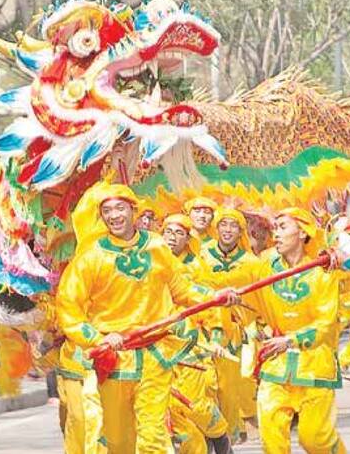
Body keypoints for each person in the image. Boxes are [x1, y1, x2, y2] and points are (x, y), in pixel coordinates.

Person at [55, 182, 239, 453]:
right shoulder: (91, 257)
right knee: (118, 441)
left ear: (134, 210)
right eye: (107, 210)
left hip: (155, 354)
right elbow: (68, 307)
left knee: (153, 435)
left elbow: (181, 288)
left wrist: (214, 296)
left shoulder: (156, 246)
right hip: (114, 357)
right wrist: (99, 338)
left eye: (120, 208)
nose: (114, 215)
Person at [222, 207, 346, 453]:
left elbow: (325, 323)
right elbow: (241, 288)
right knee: (272, 441)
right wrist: (231, 296)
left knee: (314, 440)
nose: (276, 234)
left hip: (314, 365)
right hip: (276, 364)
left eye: (282, 227)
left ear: (302, 232)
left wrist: (291, 340)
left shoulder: (322, 271)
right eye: (275, 228)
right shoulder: (265, 265)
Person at [160, 214, 231, 454]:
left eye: (179, 233)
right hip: (155, 347)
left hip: (189, 346)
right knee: (166, 410)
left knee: (195, 405)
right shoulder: (150, 262)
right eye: (168, 232)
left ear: (188, 239)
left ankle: (221, 441)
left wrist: (216, 338)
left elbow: (211, 304)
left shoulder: (196, 268)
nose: (172, 237)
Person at [199, 208, 259, 443]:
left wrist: (260, 324)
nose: (227, 230)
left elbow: (261, 296)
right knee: (206, 382)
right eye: (223, 224)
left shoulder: (251, 262)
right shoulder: (201, 255)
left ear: (241, 231)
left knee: (229, 387)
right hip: (202, 328)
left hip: (233, 331)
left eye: (233, 225)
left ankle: (228, 437)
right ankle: (207, 433)